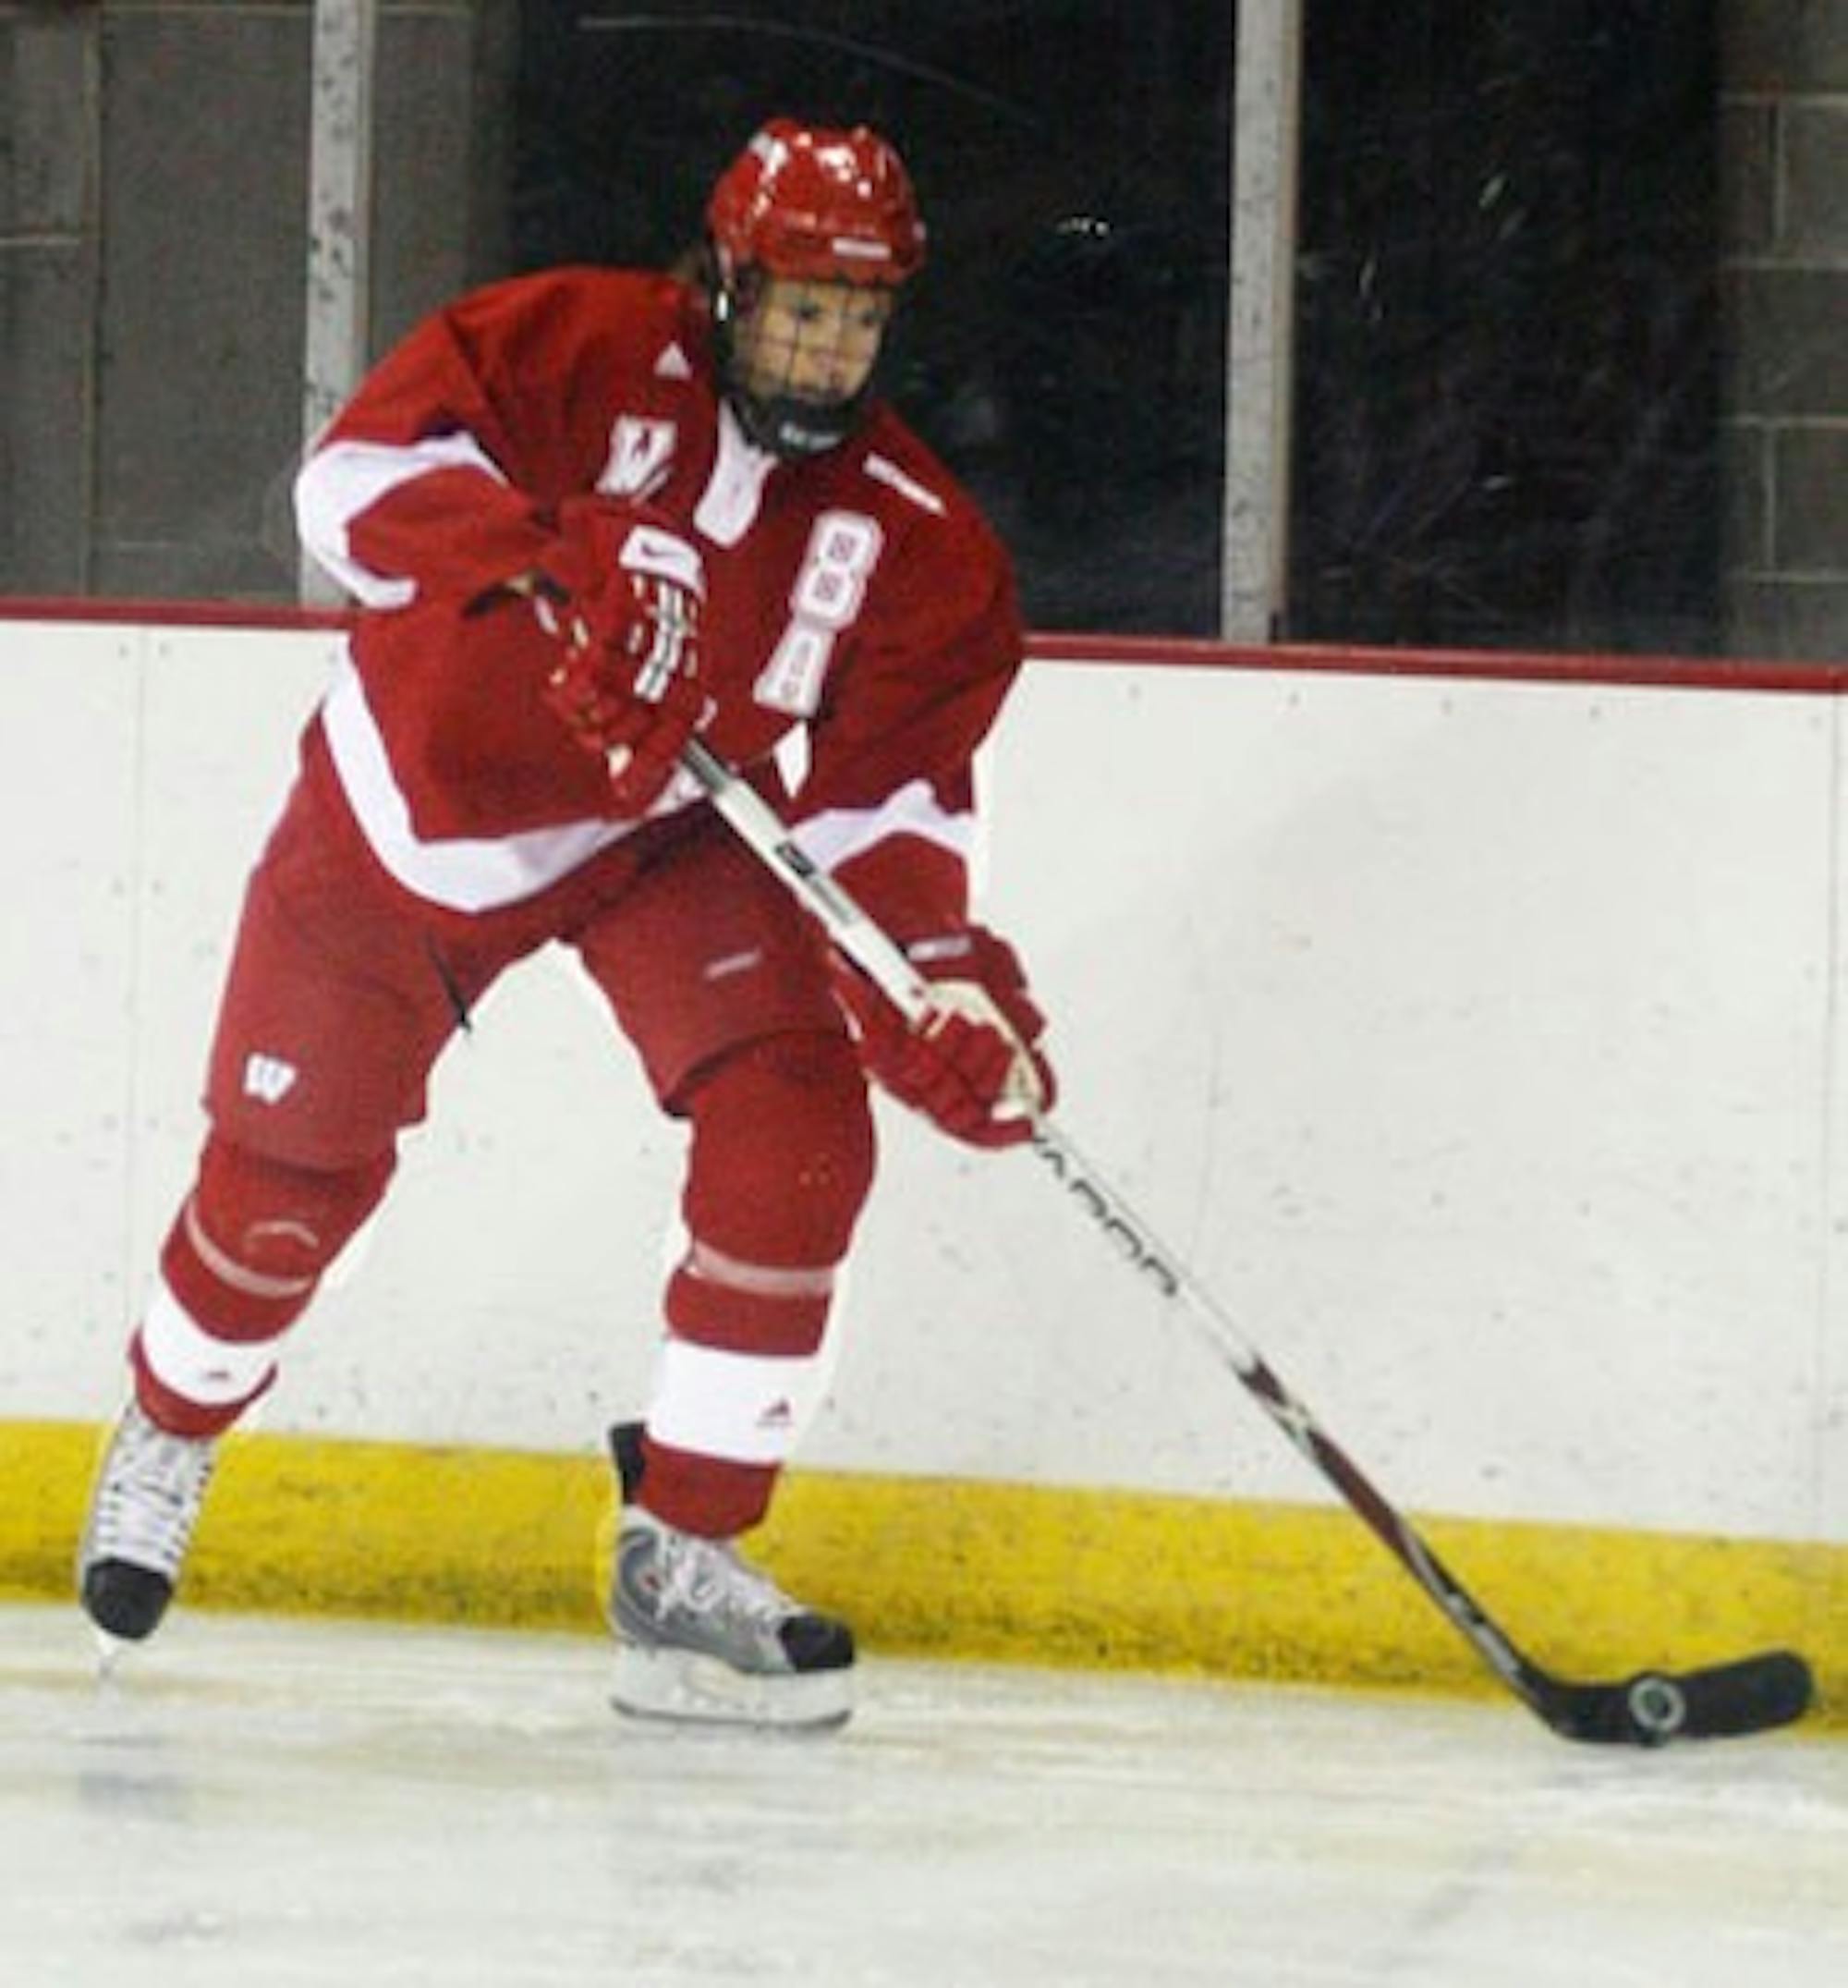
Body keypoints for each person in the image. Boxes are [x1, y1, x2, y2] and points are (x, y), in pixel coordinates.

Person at [75, 118, 1055, 1730]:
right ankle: (174, 1427)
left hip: (662, 832)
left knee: (799, 1124)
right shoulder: (580, 344)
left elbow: (889, 805)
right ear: (728, 282)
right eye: (799, 305)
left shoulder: (918, 541)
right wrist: (552, 573)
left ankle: (683, 1556)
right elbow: (354, 482)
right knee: (280, 1200)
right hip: (408, 825)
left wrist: (935, 979)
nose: (825, 347)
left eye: (859, 316)